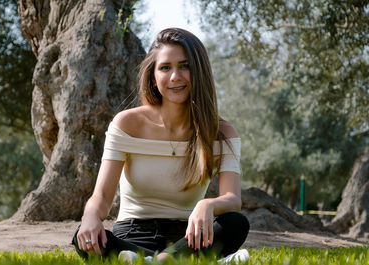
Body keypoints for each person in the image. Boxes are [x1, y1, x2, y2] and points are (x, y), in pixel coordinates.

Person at [72, 28, 250, 263]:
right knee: (83, 237)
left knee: (236, 223)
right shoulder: (127, 123)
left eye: (185, 66)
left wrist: (208, 205)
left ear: (199, 73)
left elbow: (232, 199)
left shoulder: (222, 133)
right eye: (165, 68)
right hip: (132, 235)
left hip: (189, 238)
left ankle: (147, 261)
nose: (175, 76)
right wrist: (91, 217)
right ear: (153, 77)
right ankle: (176, 261)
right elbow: (102, 196)